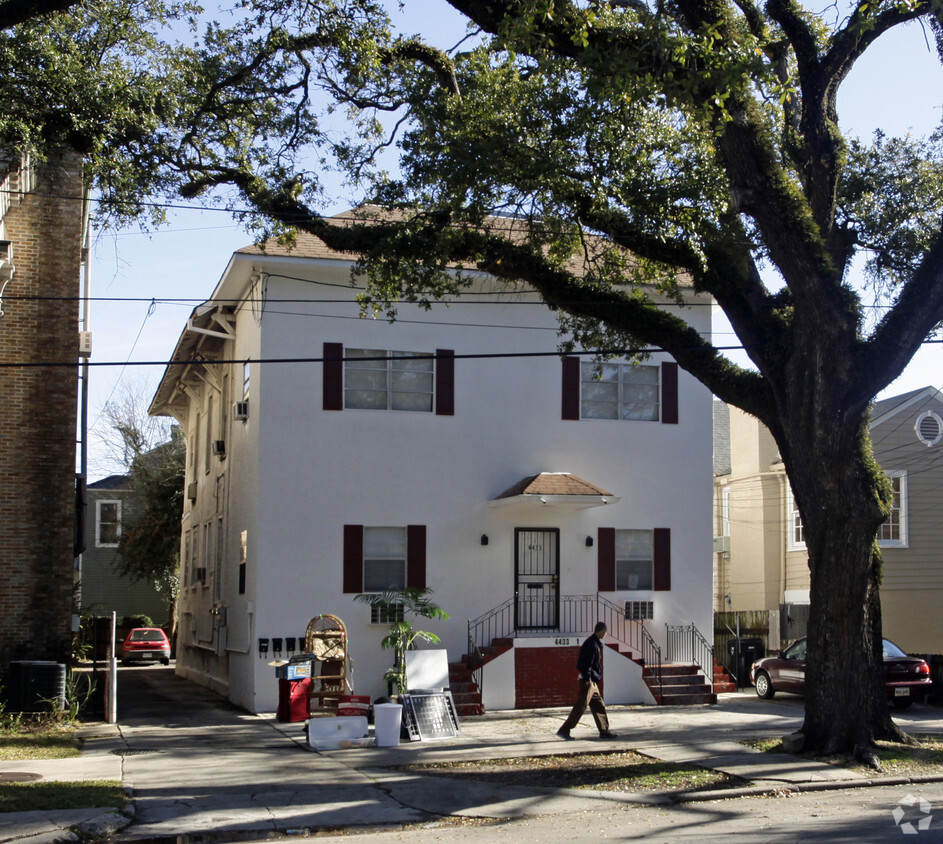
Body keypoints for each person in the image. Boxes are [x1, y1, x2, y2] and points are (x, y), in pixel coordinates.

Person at [556, 621, 617, 740]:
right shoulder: (592, 644)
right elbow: (586, 663)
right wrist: (588, 678)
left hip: (592, 681)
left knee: (599, 705)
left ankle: (604, 731)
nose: (605, 634)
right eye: (604, 632)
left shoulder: (594, 643)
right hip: (587, 681)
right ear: (601, 631)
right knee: (581, 706)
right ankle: (564, 729)